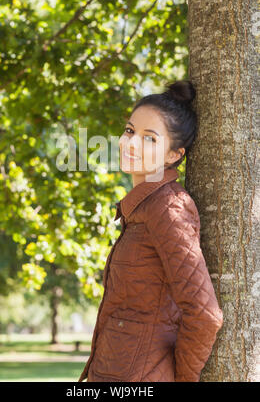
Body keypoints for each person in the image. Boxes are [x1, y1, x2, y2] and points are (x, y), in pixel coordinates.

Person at [78, 80, 223, 382]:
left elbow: (205, 314)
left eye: (150, 139)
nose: (130, 143)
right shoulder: (142, 207)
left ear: (174, 155)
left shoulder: (168, 208)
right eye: (130, 131)